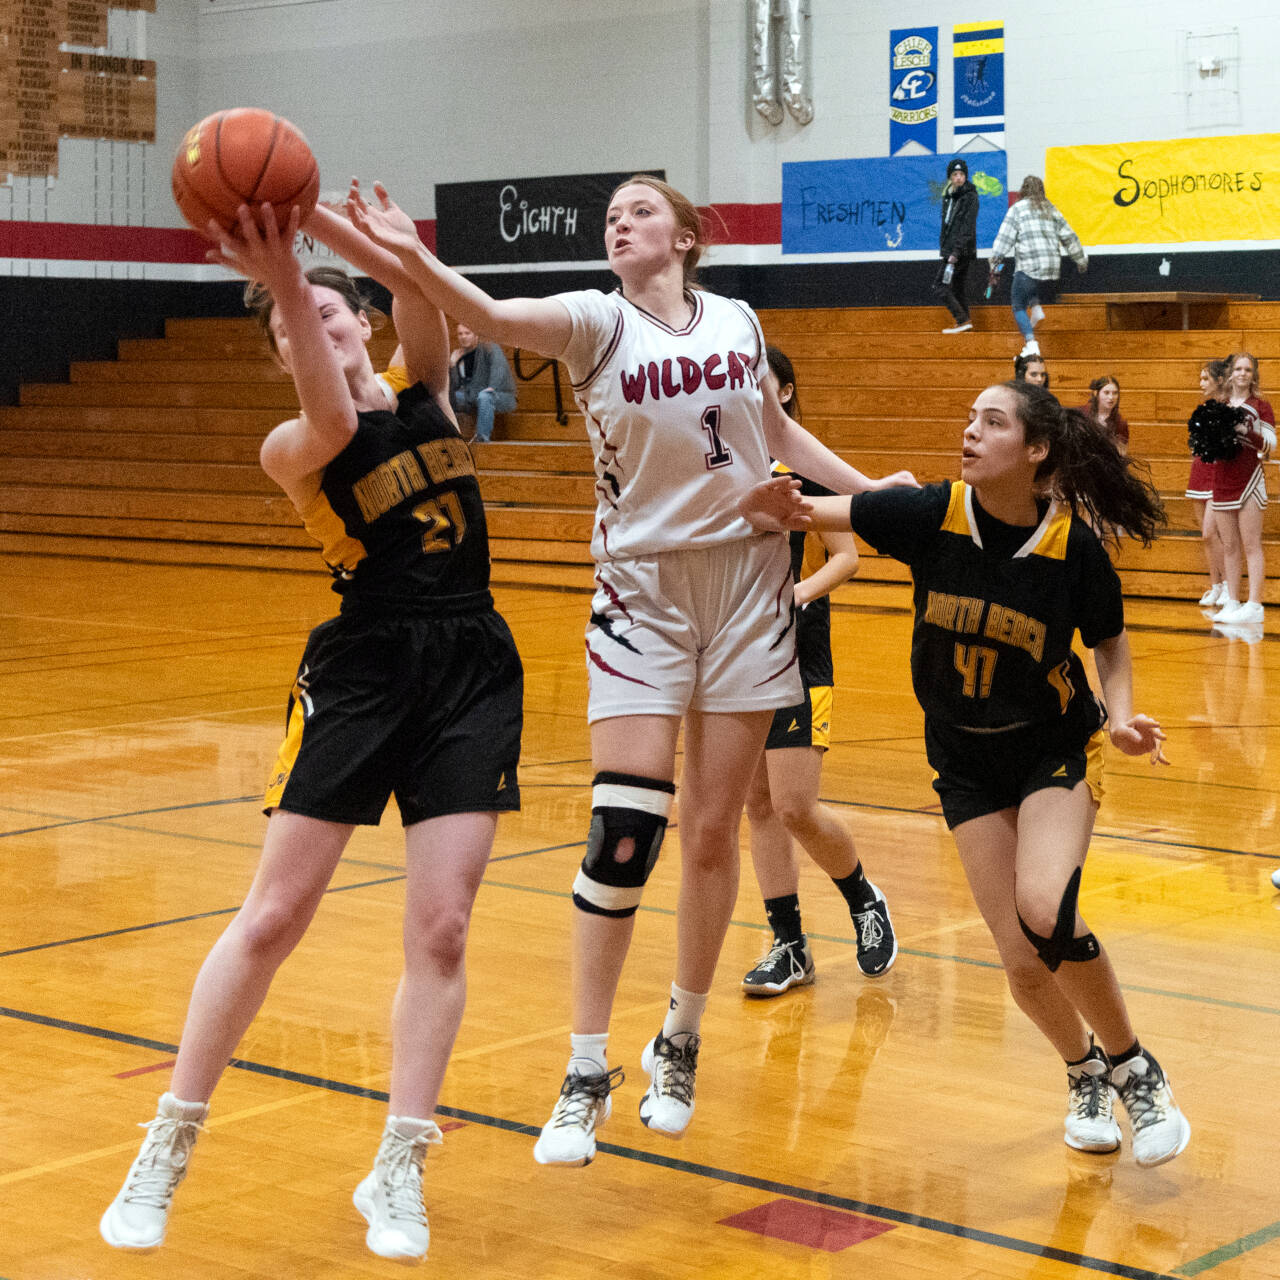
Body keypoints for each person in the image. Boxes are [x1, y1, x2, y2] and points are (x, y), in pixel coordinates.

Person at [341, 172, 916, 1166]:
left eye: (639, 209)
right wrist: (406, 251)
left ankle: (679, 1034)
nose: (619, 221)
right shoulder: (594, 323)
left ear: (683, 236)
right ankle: (582, 1063)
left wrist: (873, 496)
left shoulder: (736, 320)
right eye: (610, 214)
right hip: (640, 590)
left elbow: (772, 436)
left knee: (707, 833)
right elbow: (478, 312)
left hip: (744, 588)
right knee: (622, 830)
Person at [99, 200, 523, 1262]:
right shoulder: (294, 442)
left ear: (359, 319)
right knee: (276, 911)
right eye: (295, 324)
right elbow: (334, 422)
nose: (318, 322)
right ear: (282, 353)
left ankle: (399, 1160)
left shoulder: (426, 388)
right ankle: (169, 1139)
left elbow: (421, 301)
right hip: (364, 667)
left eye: (333, 309)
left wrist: (353, 236)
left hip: (471, 662)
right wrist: (289, 272)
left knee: (443, 928)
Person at [741, 379, 1192, 1169]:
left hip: (1053, 746)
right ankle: (1083, 1072)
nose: (970, 432)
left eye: (993, 422)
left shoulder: (1072, 547)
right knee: (1020, 964)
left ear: (1037, 449)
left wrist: (1120, 716)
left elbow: (1110, 641)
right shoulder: (932, 513)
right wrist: (762, 497)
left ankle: (1135, 1069)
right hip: (962, 759)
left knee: (1043, 909)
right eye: (970, 418)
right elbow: (813, 515)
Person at [741, 346, 897, 997]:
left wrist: (794, 598)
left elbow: (846, 558)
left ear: (786, 388)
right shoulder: (723, 466)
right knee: (756, 806)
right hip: (732, 656)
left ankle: (863, 898)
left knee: (794, 806)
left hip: (798, 653)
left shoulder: (804, 467)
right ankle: (789, 944)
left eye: (761, 382)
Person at [988, 176, 1087, 358]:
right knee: (1030, 285)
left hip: (1029, 265)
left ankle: (1031, 343)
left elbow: (1005, 238)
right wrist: (1081, 260)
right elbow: (1069, 237)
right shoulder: (1051, 209)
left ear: (1023, 191)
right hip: (1051, 269)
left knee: (1017, 305)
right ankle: (1036, 308)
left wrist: (994, 263)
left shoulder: (1017, 209)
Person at [1210, 351, 1274, 625]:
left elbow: (1271, 445)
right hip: (1222, 479)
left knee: (1251, 544)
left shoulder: (1261, 406)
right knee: (1229, 546)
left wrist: (1246, 432)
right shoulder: (1219, 404)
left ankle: (1255, 605)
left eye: (1248, 370)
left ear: (1254, 375)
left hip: (1249, 480)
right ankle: (1233, 600)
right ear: (1231, 373)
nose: (1243, 374)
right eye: (1238, 369)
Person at [1188, 359, 1230, 608]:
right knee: (1206, 537)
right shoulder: (1203, 407)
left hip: (1218, 474)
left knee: (1211, 532)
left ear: (1219, 380)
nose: (1201, 383)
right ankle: (1215, 586)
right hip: (1199, 472)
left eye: (1205, 378)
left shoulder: (1228, 408)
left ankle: (1227, 585)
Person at [449, 320, 517, 442]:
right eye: (460, 334)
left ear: (476, 335)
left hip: (500, 395)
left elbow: (499, 368)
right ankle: (450, 439)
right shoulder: (459, 355)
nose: (463, 337)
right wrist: (453, 365)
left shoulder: (489, 348)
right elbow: (455, 385)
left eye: (467, 333)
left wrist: (492, 387)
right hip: (472, 396)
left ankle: (482, 439)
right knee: (450, 397)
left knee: (485, 396)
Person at [936, 157, 979, 335]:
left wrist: (955, 252)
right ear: (950, 178)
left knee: (940, 286)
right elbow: (947, 226)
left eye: (962, 174)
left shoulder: (970, 197)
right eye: (955, 174)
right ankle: (965, 323)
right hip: (950, 248)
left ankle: (961, 319)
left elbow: (967, 228)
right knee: (958, 287)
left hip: (960, 250)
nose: (959, 177)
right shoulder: (949, 197)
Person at [1081, 376, 1128, 453]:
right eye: (1106, 393)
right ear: (1096, 393)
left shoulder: (1120, 422)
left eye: (1115, 393)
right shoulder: (1083, 414)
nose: (1111, 397)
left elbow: (1121, 454)